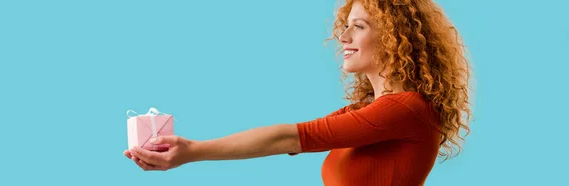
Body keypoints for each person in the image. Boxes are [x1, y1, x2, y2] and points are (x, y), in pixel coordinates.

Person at [123, 0, 472, 185]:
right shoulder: (367, 112)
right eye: (345, 25)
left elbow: (291, 138)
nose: (343, 36)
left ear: (395, 37)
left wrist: (192, 151)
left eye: (359, 26)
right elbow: (287, 140)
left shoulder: (405, 109)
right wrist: (189, 150)